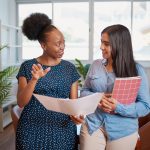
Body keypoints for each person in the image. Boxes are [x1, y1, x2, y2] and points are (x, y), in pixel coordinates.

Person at [16, 13, 81, 150]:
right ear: (43, 45)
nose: (62, 46)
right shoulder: (28, 67)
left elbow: (74, 105)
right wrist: (34, 80)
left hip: (62, 127)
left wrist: (75, 116)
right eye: (58, 44)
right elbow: (21, 102)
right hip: (31, 127)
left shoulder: (69, 68)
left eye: (63, 42)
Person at [79, 24, 150, 150]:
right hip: (93, 125)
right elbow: (84, 91)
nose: (101, 47)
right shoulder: (95, 65)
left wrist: (118, 107)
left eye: (106, 44)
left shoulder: (136, 70)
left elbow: (145, 106)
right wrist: (98, 97)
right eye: (101, 42)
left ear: (119, 45)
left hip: (123, 130)